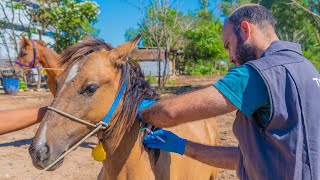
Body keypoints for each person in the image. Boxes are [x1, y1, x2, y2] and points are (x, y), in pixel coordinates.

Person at [139, 4, 320, 180]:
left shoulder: (256, 74)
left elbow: (170, 113)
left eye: (228, 45)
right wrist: (183, 146)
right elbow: (246, 159)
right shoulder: (308, 69)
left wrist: (139, 108)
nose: (230, 57)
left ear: (244, 29)